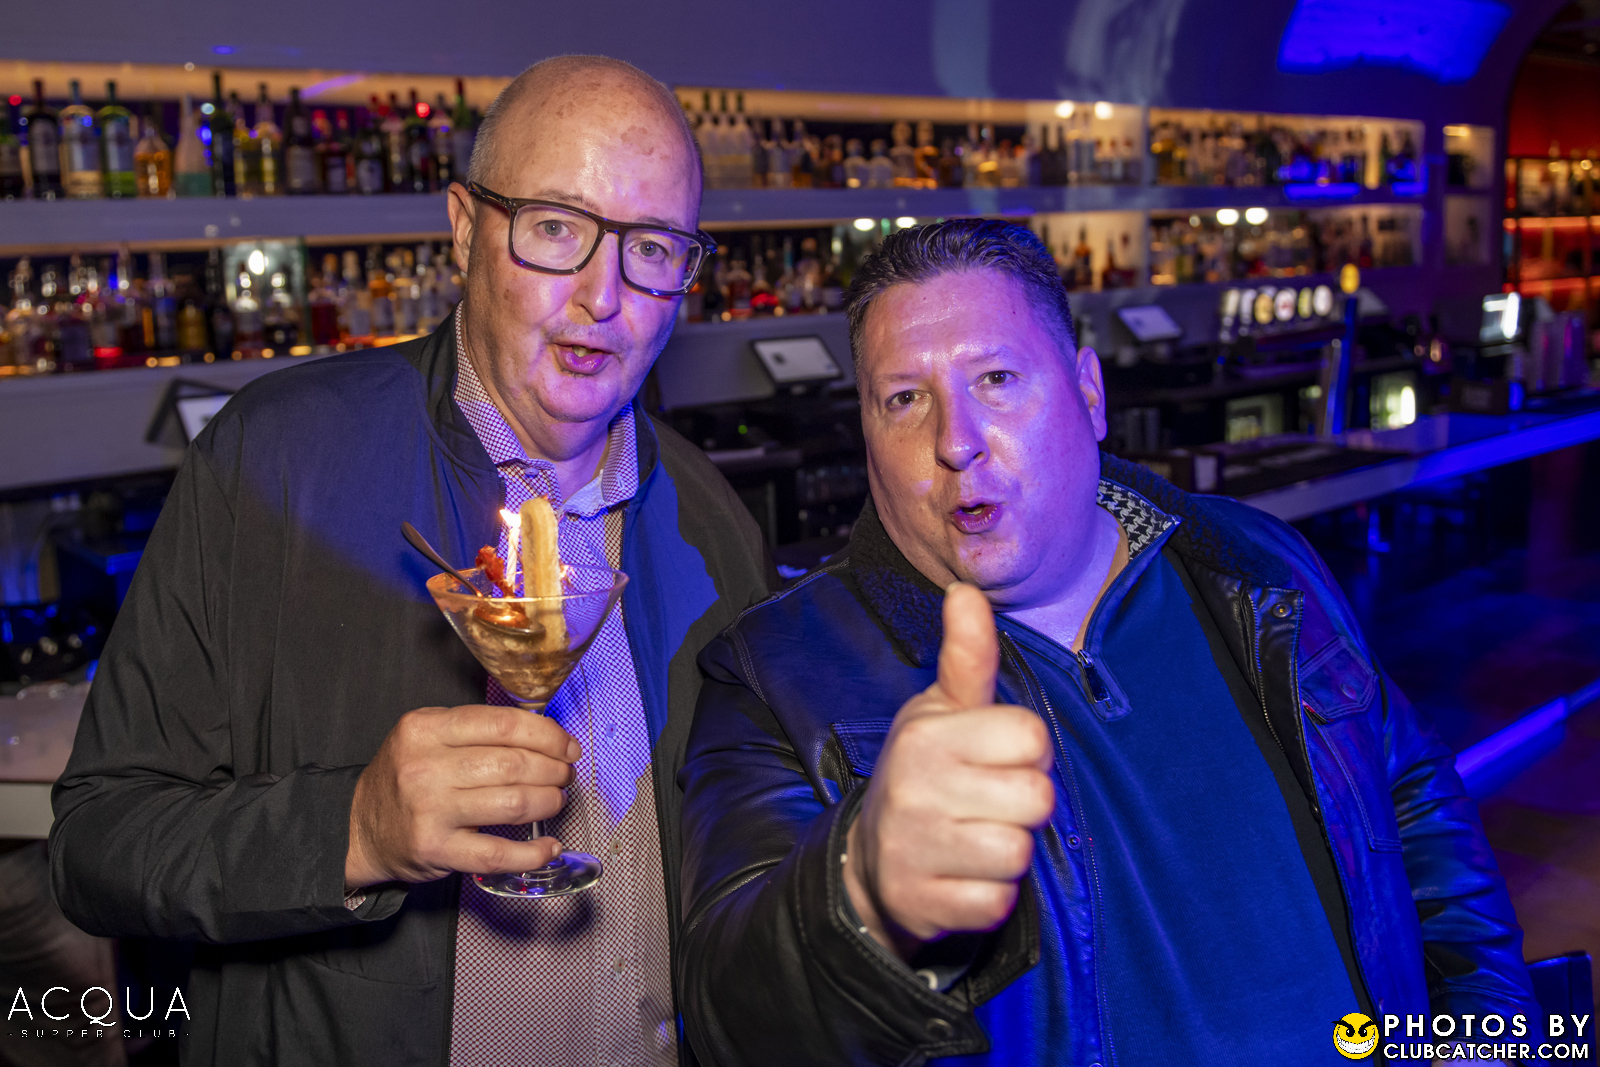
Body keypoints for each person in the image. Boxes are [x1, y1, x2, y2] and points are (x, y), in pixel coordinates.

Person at [676, 219, 1543, 1065]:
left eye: (997, 379)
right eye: (905, 399)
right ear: (865, 433)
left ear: (1089, 394)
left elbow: (1412, 796)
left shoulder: (1257, 566)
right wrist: (859, 896)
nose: (956, 441)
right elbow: (730, 1017)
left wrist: (1490, 1031)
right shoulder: (779, 676)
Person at [50, 55, 772, 1066]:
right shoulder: (278, 461)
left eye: (650, 246)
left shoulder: (712, 522)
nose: (602, 296)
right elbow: (97, 845)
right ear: (466, 229)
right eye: (555, 228)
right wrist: (354, 828)